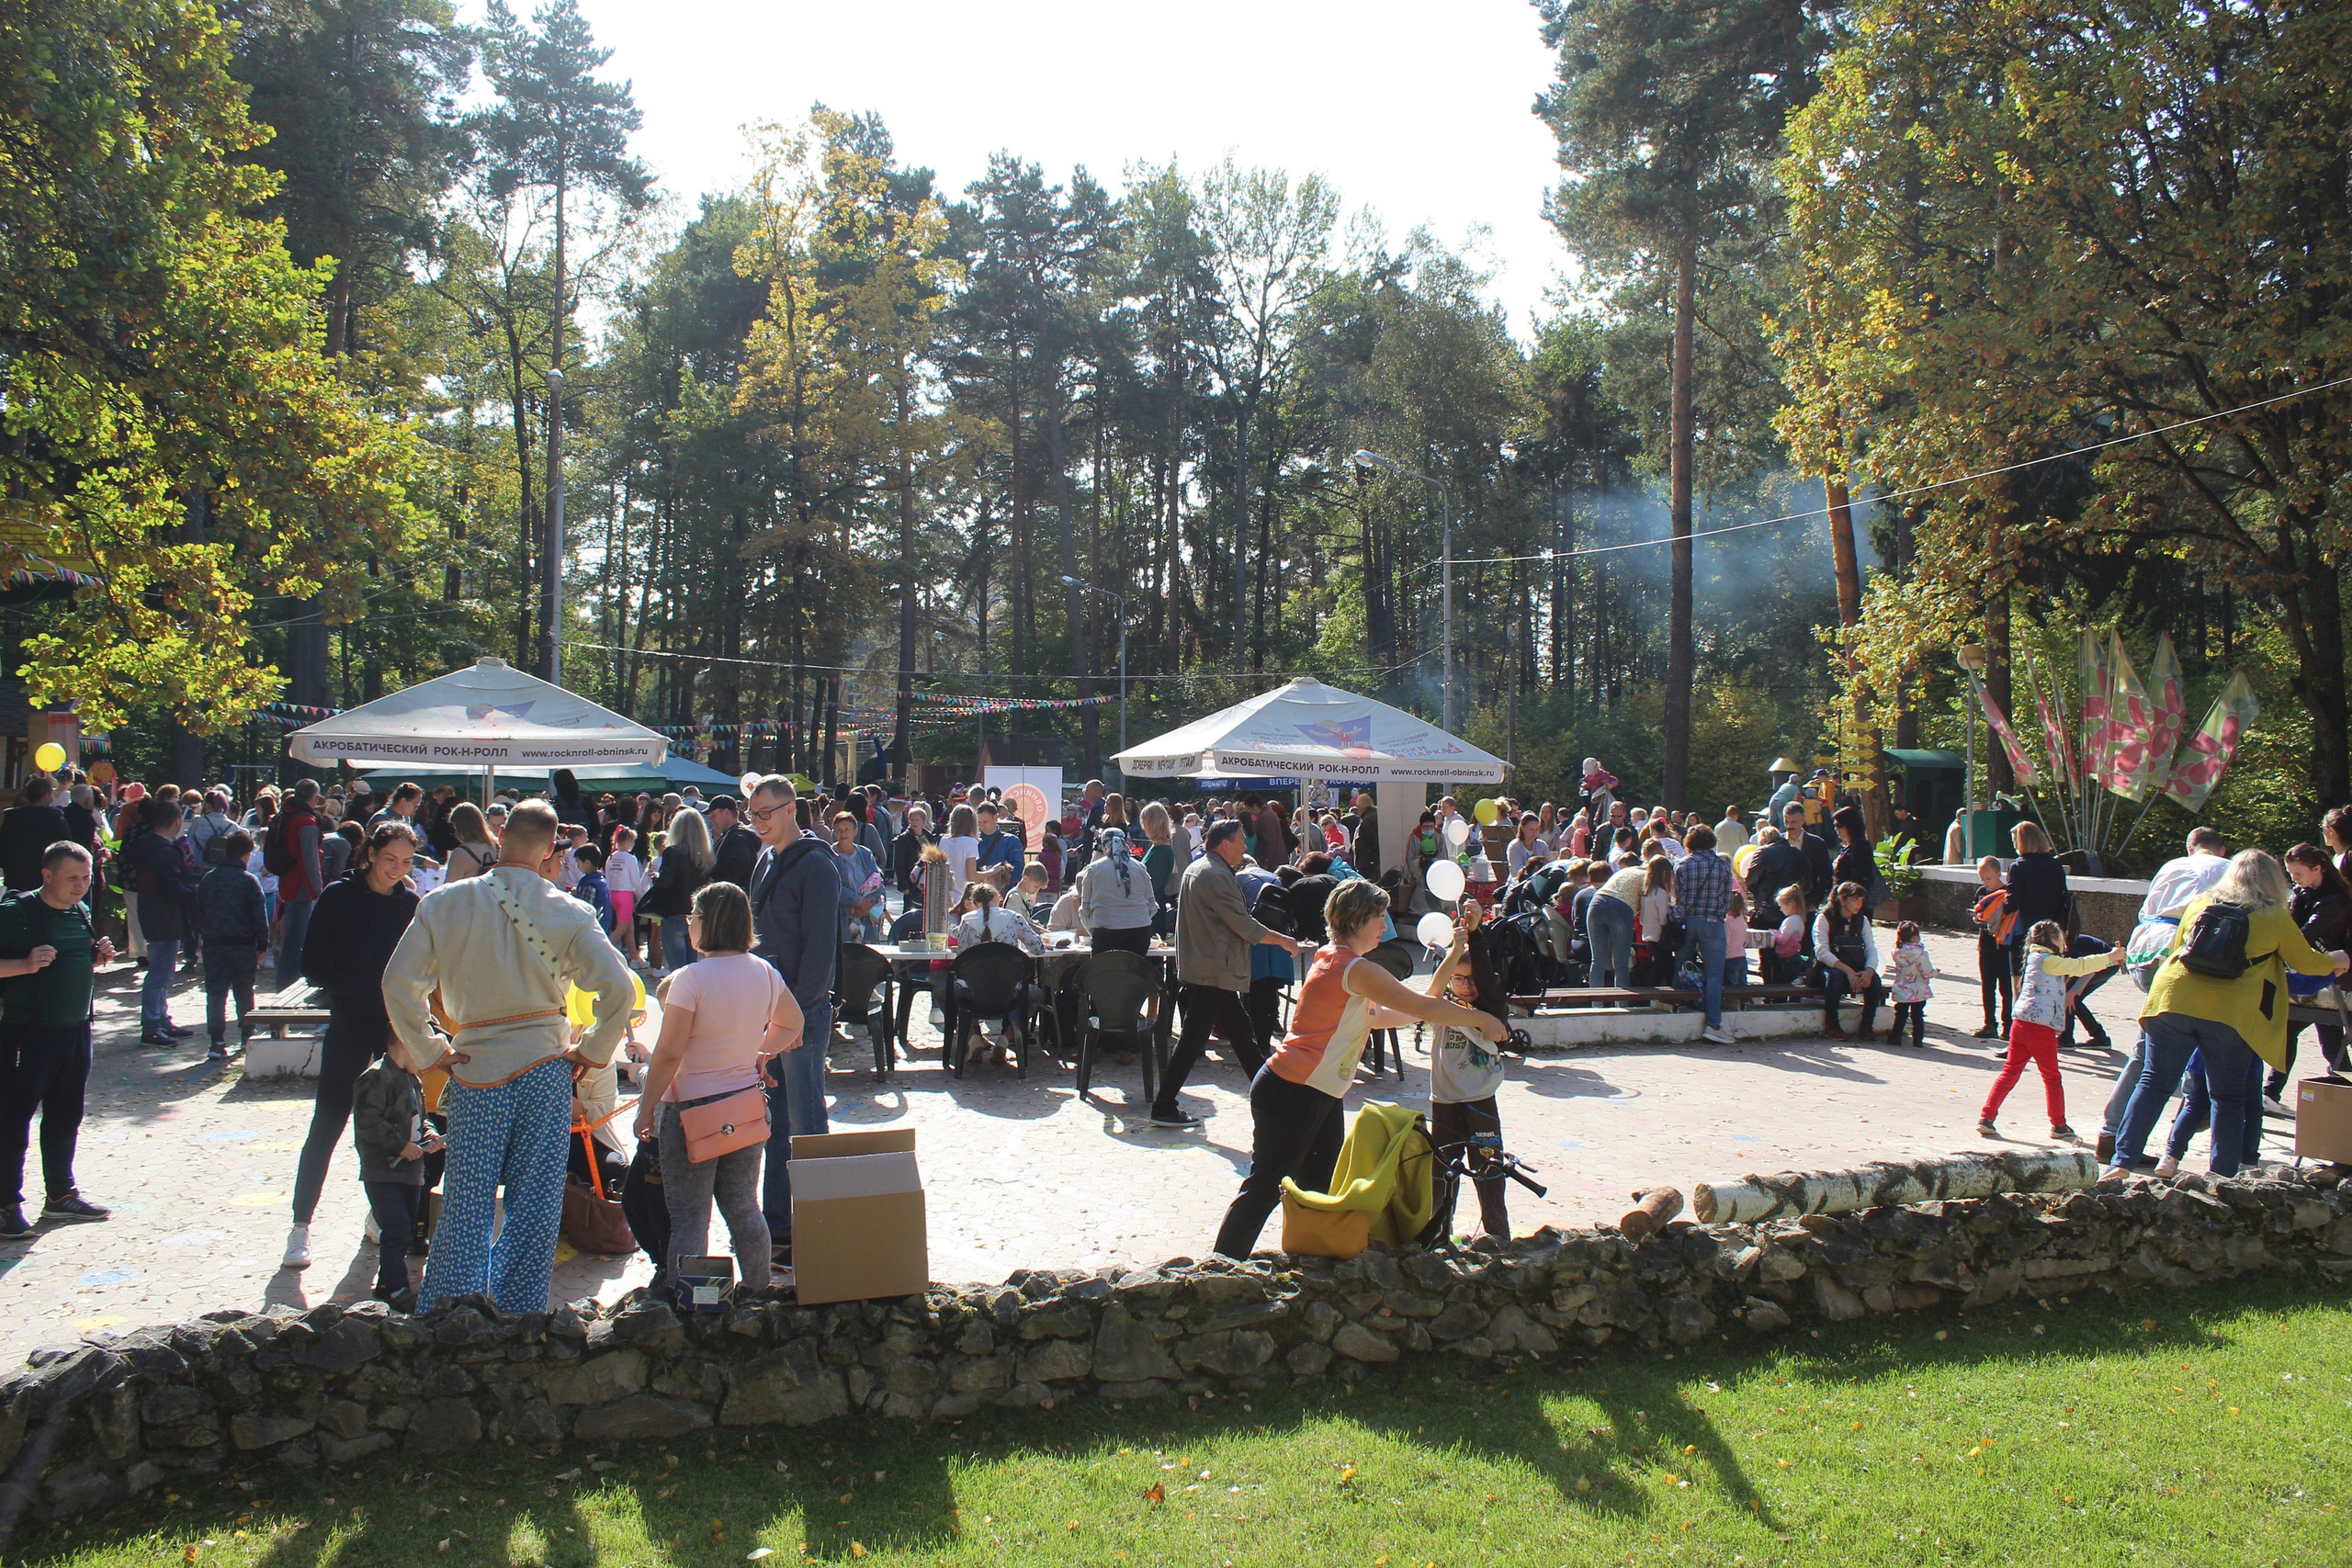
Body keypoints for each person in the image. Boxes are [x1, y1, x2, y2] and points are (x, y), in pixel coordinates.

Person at [381, 800, 634, 1312]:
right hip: (545, 1067)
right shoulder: (569, 910)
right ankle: (519, 1312)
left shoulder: (444, 904)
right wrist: (591, 1051)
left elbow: (397, 984)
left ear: (500, 839)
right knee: (535, 1204)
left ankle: (451, 1312)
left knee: (466, 1202)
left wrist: (431, 1049)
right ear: (549, 852)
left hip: (474, 1068)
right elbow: (620, 993)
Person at [1210, 879, 1502, 1258]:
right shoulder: (1353, 967)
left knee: (1319, 1188)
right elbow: (1425, 1009)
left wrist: (1457, 951)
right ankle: (1219, 1269)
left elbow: (1415, 1005)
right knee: (1266, 1187)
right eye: (1380, 917)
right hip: (1293, 1090)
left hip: (1315, 1092)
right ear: (1359, 919)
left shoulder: (1336, 959)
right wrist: (1481, 1018)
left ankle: (1310, 1267)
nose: (1385, 926)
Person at [2104, 850, 2351, 1179]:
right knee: (2227, 1095)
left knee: (2154, 1082)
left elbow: (2181, 947)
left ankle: (2121, 1163)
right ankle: (2222, 1176)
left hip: (2171, 999)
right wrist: (2337, 960)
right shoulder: (2275, 915)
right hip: (2230, 1012)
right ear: (2275, 880)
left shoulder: (2201, 903)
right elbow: (2305, 963)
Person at [633, 880, 797, 1303]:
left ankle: (689, 1303)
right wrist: (762, 1054)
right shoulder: (764, 972)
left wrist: (644, 1110)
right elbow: (793, 1024)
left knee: (690, 1216)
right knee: (744, 1207)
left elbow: (668, 1055)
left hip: (690, 1113)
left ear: (707, 923)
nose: (689, 923)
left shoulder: (690, 979)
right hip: (744, 1105)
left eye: (693, 915)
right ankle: (758, 1289)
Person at [280, 821, 422, 1271]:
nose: (396, 871)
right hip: (350, 1024)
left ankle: (382, 1218)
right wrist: (362, 990)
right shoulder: (338, 897)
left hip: (394, 1030)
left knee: (397, 1127)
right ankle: (300, 1228)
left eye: (405, 863)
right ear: (370, 855)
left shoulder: (411, 903)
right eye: (388, 861)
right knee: (329, 1122)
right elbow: (313, 964)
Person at [0, 842, 118, 1237]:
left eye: (86, 878)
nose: (81, 886)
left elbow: (72, 959)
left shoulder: (79, 911)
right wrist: (24, 964)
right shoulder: (15, 913)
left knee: (66, 1115)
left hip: (75, 1029)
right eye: (72, 878)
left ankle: (60, 1196)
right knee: (13, 1121)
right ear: (47, 875)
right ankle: (5, 1205)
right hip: (26, 1032)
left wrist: (96, 955)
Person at [743, 775, 839, 1263]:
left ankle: (817, 1227)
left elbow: (821, 951)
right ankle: (778, 1228)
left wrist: (794, 1020)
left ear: (790, 811)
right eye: (751, 813)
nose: (756, 822)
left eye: (764, 813)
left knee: (805, 1121)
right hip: (767, 1011)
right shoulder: (763, 860)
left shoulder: (818, 866)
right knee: (775, 1123)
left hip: (801, 1014)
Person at [1154, 820, 1302, 1129]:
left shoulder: (1200, 868)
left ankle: (1271, 1098)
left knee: (1242, 1035)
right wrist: (1283, 939)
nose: (1244, 848)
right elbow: (1244, 926)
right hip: (1213, 968)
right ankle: (1163, 1105)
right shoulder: (1216, 874)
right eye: (1240, 842)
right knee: (1196, 1039)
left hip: (1206, 966)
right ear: (1224, 845)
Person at [1980, 919, 2111, 1144]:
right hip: (2040, 1027)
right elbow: (2080, 966)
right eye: (2060, 938)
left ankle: (1986, 1117)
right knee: (2052, 1077)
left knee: (2010, 1071)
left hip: (2020, 1022)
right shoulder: (2050, 961)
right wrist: (2111, 957)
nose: (2063, 942)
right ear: (2052, 939)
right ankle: (2059, 1125)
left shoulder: (2033, 957)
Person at [1424, 903, 1510, 1241]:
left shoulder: (1489, 1008)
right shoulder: (1441, 1007)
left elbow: (1486, 977)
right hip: (1444, 1100)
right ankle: (1438, 1236)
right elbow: (1432, 992)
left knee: (1490, 1171)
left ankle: (1498, 1235)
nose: (1465, 985)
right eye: (1458, 979)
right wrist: (1456, 950)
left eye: (1470, 979)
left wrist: (1474, 934)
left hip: (1480, 1100)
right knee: (1442, 1172)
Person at [2266, 842, 2352, 1106]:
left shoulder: (2334, 900)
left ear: (2319, 869)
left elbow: (2302, 938)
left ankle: (2271, 1092)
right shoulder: (2306, 892)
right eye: (2291, 875)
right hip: (2319, 973)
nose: (2295, 881)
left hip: (2335, 978)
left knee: (2320, 1036)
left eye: (2299, 875)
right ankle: (2271, 1092)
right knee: (2325, 1039)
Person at [349, 1052, 436, 1311]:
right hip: (383, 1170)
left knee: (406, 1229)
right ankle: (396, 1288)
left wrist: (429, 1134)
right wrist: (400, 1146)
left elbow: (421, 1117)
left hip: (411, 1171)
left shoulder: (412, 1078)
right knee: (396, 1228)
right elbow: (367, 1122)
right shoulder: (375, 1077)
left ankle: (388, 1284)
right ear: (403, 1042)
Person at [123, 799, 201, 1045]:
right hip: (164, 914)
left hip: (152, 911)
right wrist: (195, 891)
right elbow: (173, 887)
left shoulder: (144, 844)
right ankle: (152, 1025)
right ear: (177, 821)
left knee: (163, 971)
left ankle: (161, 1019)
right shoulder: (164, 850)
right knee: (159, 974)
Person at [191, 829, 269, 1061]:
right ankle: (247, 1036)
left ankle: (217, 1041)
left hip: (214, 944)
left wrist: (199, 937)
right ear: (247, 854)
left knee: (216, 994)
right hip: (243, 945)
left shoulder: (209, 878)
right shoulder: (249, 881)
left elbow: (198, 910)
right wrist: (262, 943)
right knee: (244, 991)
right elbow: (259, 914)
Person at [1673, 824, 1737, 1044]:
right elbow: (1727, 898)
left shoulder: (1682, 864)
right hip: (1712, 921)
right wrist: (1717, 914)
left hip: (1687, 921)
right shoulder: (1721, 864)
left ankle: (1674, 1012)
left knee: (1681, 966)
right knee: (1714, 974)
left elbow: (1678, 898)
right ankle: (1713, 1023)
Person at [267, 780, 327, 985]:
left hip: (288, 884)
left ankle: (286, 983)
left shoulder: (287, 815)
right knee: (296, 943)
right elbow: (310, 860)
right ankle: (287, 986)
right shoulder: (306, 823)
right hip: (302, 888)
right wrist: (319, 892)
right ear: (315, 797)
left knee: (291, 940)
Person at [643, 805, 714, 975]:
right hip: (696, 915)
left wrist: (655, 878)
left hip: (674, 914)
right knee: (692, 969)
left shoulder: (673, 852)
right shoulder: (706, 854)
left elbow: (666, 882)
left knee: (678, 972)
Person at [1811, 881, 1884, 1040]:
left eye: (1861, 899)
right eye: (1854, 899)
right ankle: (1832, 1024)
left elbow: (1871, 949)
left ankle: (1867, 1025)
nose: (1859, 904)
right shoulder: (1824, 918)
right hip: (1829, 968)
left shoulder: (1862, 920)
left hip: (1856, 965)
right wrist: (1848, 971)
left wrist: (1869, 971)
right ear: (1842, 900)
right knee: (1835, 977)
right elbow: (1822, 952)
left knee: (1875, 982)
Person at [2002, 820, 2069, 986]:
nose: (2014, 846)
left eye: (2015, 841)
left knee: (2021, 978)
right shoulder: (2055, 865)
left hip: (2025, 931)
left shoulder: (2018, 866)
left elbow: (2011, 903)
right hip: (2052, 928)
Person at [1076, 827, 1158, 954]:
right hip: (1140, 931)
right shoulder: (1140, 868)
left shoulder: (1093, 869)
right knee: (1134, 973)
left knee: (1106, 972)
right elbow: (1152, 906)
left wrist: (1094, 932)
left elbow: (1084, 909)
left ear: (1103, 847)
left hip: (1106, 931)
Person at [1969, 855, 2015, 1040]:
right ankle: (1989, 1023)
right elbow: (1977, 911)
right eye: (1982, 878)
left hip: (2004, 946)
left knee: (2006, 987)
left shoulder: (2008, 893)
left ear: (1999, 874)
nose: (1985, 882)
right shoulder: (1981, 892)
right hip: (1986, 944)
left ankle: (2008, 1026)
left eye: (1989, 878)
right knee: (1987, 985)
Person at [0, 777, 70, 893]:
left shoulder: (11, 819)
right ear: (47, 796)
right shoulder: (55, 820)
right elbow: (65, 850)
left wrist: (9, 867)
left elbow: (2, 847)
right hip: (44, 878)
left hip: (15, 877)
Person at [828, 809, 885, 942]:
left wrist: (868, 903)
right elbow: (833, 888)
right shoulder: (829, 856)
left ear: (855, 831)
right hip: (843, 917)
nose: (843, 833)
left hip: (868, 916)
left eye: (847, 829)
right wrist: (858, 901)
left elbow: (878, 881)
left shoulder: (865, 853)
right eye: (839, 830)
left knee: (869, 958)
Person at [1589, 857, 1644, 989]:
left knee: (1597, 961)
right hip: (1620, 908)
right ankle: (1621, 1005)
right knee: (1621, 963)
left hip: (1596, 902)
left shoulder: (1625, 872)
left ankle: (1596, 1006)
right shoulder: (1648, 877)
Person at [1882, 919, 1934, 1047]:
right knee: (1918, 1015)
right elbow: (1927, 971)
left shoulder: (1898, 952)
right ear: (1916, 937)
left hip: (1902, 987)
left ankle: (1896, 1036)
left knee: (1901, 1014)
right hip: (1918, 989)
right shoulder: (1920, 954)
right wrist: (1934, 973)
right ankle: (1917, 1039)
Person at [1780, 801, 1834, 908]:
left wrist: (1815, 901)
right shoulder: (1777, 843)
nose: (1790, 826)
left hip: (1807, 904)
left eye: (1793, 822)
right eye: (1787, 822)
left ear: (1803, 820)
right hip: (1781, 905)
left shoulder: (1817, 844)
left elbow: (1825, 875)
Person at [707, 796, 762, 891]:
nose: (711, 820)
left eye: (714, 815)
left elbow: (735, 868)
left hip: (732, 899)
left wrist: (710, 872)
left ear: (726, 812)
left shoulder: (736, 837)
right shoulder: (735, 835)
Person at [892, 802, 935, 902]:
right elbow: (899, 863)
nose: (914, 822)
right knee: (910, 907)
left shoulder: (930, 837)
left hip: (927, 880)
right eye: (912, 820)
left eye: (917, 820)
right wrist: (904, 885)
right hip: (911, 880)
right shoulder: (904, 839)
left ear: (924, 821)